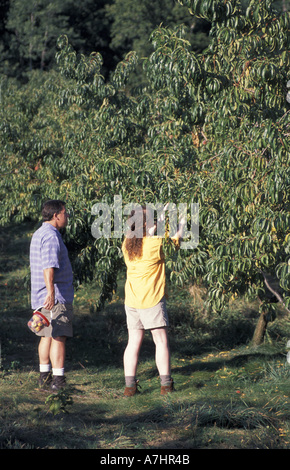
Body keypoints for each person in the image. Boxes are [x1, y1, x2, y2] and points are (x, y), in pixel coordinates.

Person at [121, 204, 185, 396]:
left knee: (133, 342)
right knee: (161, 341)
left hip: (132, 301)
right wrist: (181, 222)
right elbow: (175, 240)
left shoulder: (127, 243)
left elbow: (148, 235)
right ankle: (166, 385)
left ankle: (129, 387)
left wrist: (159, 218)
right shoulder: (155, 244)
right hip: (152, 299)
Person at [29, 200, 74, 391]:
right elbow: (49, 267)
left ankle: (44, 377)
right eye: (65, 213)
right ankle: (58, 381)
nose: (67, 217)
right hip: (54, 297)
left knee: (46, 336)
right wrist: (51, 293)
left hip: (42, 295)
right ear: (56, 215)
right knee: (59, 335)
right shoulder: (51, 236)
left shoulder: (39, 233)